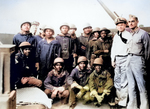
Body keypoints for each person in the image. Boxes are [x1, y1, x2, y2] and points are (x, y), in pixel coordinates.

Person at [126, 14, 150, 109]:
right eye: (129, 22)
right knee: (131, 85)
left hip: (138, 59)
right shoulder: (129, 34)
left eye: (133, 21)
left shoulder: (143, 34)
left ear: (137, 22)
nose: (130, 23)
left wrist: (144, 63)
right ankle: (132, 106)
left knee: (141, 85)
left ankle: (144, 106)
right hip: (129, 58)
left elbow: (147, 51)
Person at [111, 17, 132, 108]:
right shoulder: (116, 35)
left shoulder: (129, 35)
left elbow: (130, 49)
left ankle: (123, 102)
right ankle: (118, 99)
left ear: (125, 25)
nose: (120, 26)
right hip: (117, 59)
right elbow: (114, 49)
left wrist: (128, 60)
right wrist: (113, 59)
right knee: (117, 80)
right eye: (118, 25)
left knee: (124, 80)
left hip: (125, 58)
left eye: (122, 24)